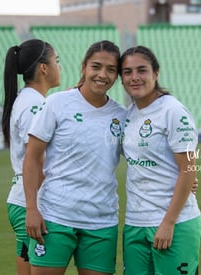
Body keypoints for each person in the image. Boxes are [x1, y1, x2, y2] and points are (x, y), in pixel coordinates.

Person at [23, 40, 126, 275]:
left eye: (111, 70)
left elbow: (144, 157)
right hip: (55, 217)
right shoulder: (57, 103)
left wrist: (188, 174)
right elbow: (31, 157)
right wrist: (31, 209)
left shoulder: (122, 116)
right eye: (96, 67)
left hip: (101, 222)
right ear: (84, 67)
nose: (103, 75)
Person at [119, 45, 201, 275]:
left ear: (156, 73)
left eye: (141, 70)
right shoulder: (127, 115)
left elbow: (188, 171)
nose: (134, 77)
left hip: (174, 223)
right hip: (135, 223)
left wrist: (168, 223)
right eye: (127, 72)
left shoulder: (173, 111)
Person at [2, 38, 61, 275]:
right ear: (44, 68)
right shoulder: (33, 105)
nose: (59, 66)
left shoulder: (32, 101)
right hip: (30, 201)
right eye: (57, 61)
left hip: (25, 198)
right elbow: (37, 159)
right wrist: (34, 208)